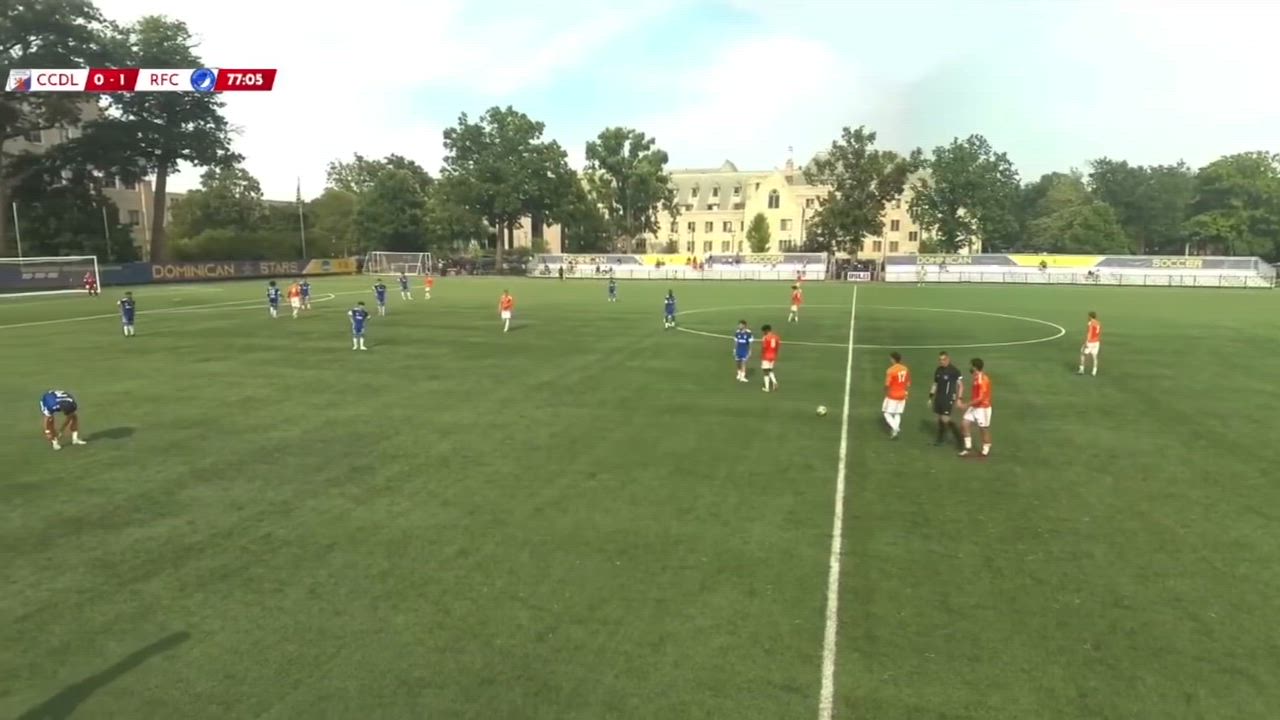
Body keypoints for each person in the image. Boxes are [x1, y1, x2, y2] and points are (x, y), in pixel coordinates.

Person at [955, 358, 993, 458]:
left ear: (975, 367)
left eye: (971, 366)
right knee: (965, 423)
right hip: (975, 406)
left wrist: (965, 405)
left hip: (983, 408)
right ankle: (968, 447)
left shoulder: (982, 380)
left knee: (983, 429)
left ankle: (986, 447)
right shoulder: (976, 377)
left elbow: (980, 398)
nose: (970, 368)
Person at [928, 351, 964, 447]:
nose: (941, 361)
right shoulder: (938, 370)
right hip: (939, 397)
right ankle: (940, 439)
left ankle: (960, 440)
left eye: (943, 359)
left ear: (948, 359)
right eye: (940, 359)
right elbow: (935, 384)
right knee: (940, 418)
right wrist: (930, 396)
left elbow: (961, 385)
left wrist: (959, 398)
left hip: (948, 398)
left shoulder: (954, 371)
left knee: (945, 419)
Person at [882, 352, 911, 439]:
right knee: (897, 413)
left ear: (893, 359)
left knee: (886, 413)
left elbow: (887, 384)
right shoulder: (905, 369)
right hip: (902, 395)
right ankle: (894, 433)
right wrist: (905, 391)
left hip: (893, 395)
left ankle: (895, 428)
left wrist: (885, 390)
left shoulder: (891, 370)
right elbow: (908, 383)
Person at [1078, 311, 1101, 376]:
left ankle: (1081, 369)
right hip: (1096, 342)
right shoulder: (1098, 323)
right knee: (1094, 357)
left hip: (1090, 342)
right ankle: (1094, 372)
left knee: (1082, 354)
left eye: (1088, 316)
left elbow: (1089, 333)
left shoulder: (1090, 323)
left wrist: (1086, 342)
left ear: (1090, 316)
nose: (1088, 317)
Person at [760, 324, 780, 392]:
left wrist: (761, 355)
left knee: (765, 371)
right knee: (770, 370)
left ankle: (767, 388)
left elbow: (764, 347)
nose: (763, 333)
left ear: (767, 330)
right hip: (773, 356)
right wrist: (775, 354)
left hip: (766, 356)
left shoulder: (765, 337)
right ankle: (774, 382)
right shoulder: (776, 337)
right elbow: (777, 347)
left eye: (764, 331)